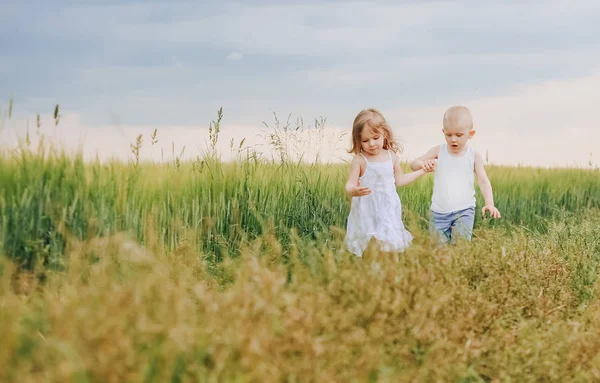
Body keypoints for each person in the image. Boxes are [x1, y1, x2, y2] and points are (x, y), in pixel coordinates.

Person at [344, 108, 432, 257]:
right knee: (370, 242)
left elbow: (401, 181)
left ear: (385, 134)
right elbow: (350, 184)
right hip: (367, 208)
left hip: (388, 207)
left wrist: (422, 171)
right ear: (358, 140)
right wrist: (353, 190)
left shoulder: (391, 157)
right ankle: (371, 270)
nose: (371, 144)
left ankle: (392, 271)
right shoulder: (360, 160)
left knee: (389, 242)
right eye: (365, 140)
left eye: (376, 138)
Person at [410, 105, 501, 244]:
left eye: (459, 135)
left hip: (464, 211)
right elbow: (413, 164)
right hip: (438, 214)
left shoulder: (474, 156)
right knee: (438, 252)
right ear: (443, 132)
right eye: (449, 134)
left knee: (460, 248)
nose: (453, 139)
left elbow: (483, 181)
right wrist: (422, 164)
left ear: (470, 134)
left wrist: (489, 203)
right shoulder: (438, 151)